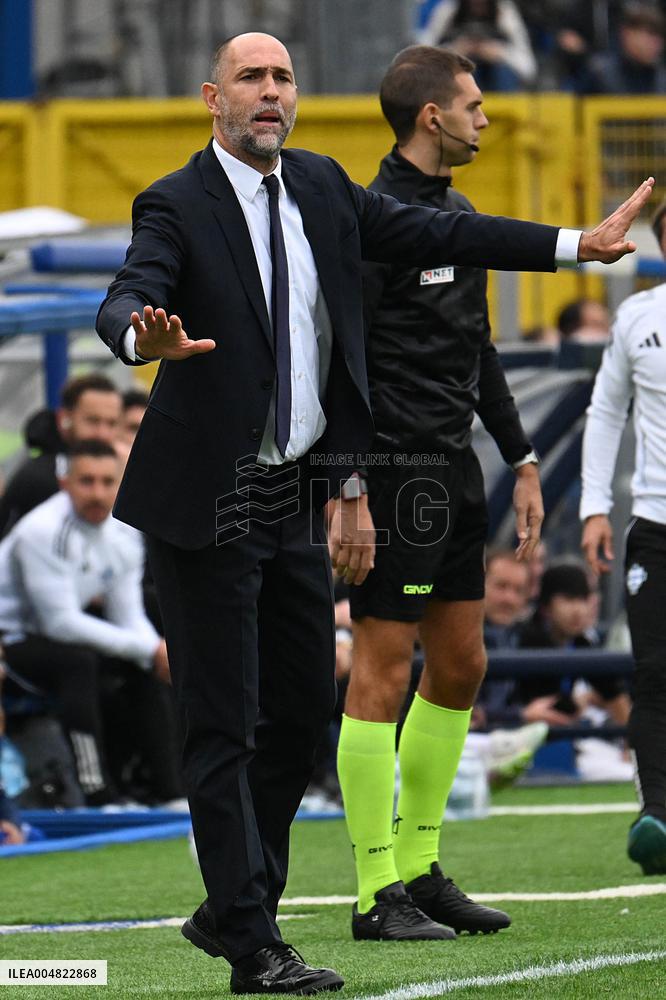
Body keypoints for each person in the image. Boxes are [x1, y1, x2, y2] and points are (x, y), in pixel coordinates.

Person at [95, 29, 652, 994]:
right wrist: (139, 335)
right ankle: (254, 940)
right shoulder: (176, 201)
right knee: (224, 723)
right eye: (251, 79)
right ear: (211, 98)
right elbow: (134, 288)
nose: (271, 92)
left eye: (283, 78)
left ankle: (236, 903)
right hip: (211, 496)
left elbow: (444, 233)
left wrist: (574, 246)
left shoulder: (321, 190)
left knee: (304, 706)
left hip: (299, 488)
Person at [335, 45, 544, 941]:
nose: (485, 118)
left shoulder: (456, 215)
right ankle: (373, 889)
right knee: (381, 672)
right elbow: (336, 364)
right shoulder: (368, 222)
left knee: (461, 667)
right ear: (432, 117)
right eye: (473, 104)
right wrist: (348, 484)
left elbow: (480, 352)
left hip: (457, 471)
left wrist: (523, 459)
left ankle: (420, 868)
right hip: (393, 475)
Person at [0, 440, 172, 806]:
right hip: (9, 638)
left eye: (107, 482)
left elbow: (127, 616)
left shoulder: (124, 531)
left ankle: (171, 791)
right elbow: (60, 623)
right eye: (87, 481)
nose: (98, 493)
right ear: (65, 483)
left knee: (145, 664)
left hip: (49, 637)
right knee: (77, 662)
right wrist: (150, 648)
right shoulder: (42, 530)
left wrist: (155, 654)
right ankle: (98, 794)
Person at [581, 196, 666, 877]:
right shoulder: (638, 316)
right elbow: (606, 411)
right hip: (656, 525)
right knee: (654, 674)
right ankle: (657, 814)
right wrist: (592, 507)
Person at [0, 373, 122, 538]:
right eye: (93, 421)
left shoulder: (122, 469)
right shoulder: (40, 478)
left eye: (111, 423)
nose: (103, 433)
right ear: (64, 419)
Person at [418, 0, 537, 91]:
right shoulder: (448, 11)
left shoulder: (505, 13)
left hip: (499, 84)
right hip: (458, 88)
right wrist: (455, 52)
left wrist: (500, 53)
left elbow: (528, 68)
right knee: (466, 70)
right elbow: (423, 62)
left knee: (501, 72)